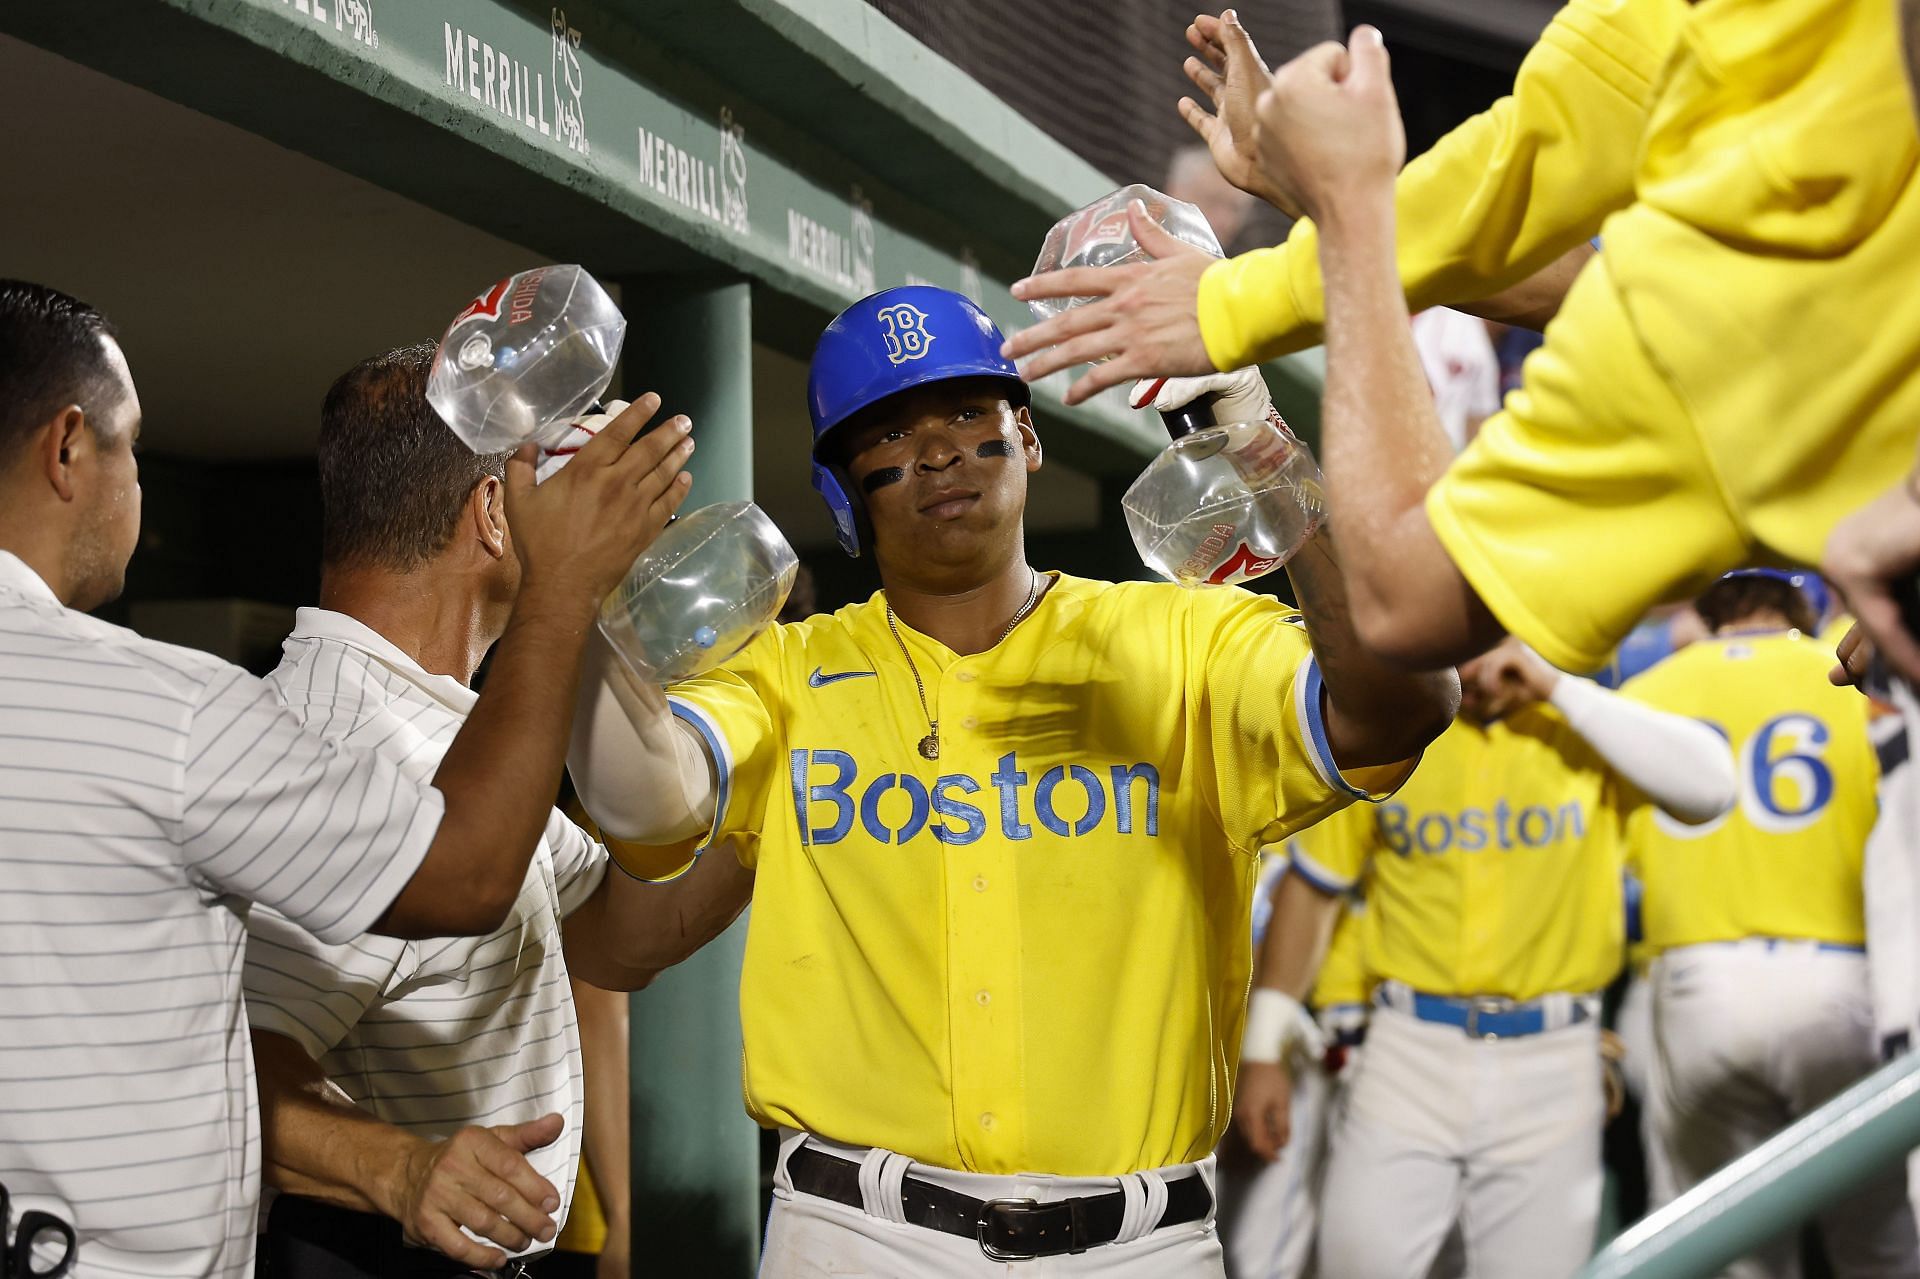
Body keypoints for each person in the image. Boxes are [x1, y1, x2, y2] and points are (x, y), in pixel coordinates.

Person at [566, 284, 1457, 1276]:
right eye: (890, 431)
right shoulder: (785, 673)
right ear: (846, 490)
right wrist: (575, 601)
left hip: (1142, 1243)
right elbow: (648, 800)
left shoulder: (1187, 641)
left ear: (1026, 438)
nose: (940, 449)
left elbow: (1404, 703)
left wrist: (1260, 444)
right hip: (858, 1235)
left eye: (967, 412)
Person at [0, 281, 691, 1276]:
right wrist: (565, 588)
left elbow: (617, 928)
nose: (136, 483)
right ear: (69, 448)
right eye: (130, 444)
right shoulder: (175, 709)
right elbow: (461, 875)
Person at [1005, 1, 1920, 684]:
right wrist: (1303, 234)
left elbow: (1412, 604)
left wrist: (1340, 216)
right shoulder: (1798, 125)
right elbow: (1546, 206)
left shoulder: (1726, 298)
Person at [240, 353, 751, 1277]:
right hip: (364, 1247)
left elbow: (615, 938)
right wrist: (402, 1170)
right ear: (491, 511)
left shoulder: (445, 720)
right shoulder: (344, 743)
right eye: (543, 481)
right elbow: (231, 1062)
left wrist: (781, 801)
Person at [1259, 637, 1734, 1279]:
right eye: (1461, 641)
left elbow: (1711, 789)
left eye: (1492, 637)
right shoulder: (1400, 734)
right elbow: (1316, 890)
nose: (1478, 666)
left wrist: (1556, 686)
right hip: (1408, 1050)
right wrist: (1262, 1049)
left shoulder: (1586, 728)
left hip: (1555, 1056)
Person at [1621, 569, 1920, 1277]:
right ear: (1801, 603)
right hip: (1842, 982)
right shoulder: (1856, 680)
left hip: (1699, 984)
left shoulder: (1646, 694)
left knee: (1732, 1248)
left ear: (1709, 606)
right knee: (1877, 1240)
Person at [1216, 856, 1366, 1279]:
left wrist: (1254, 1059)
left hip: (1294, 1045)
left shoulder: (1300, 824)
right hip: (1213, 1051)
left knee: (1259, 1256)